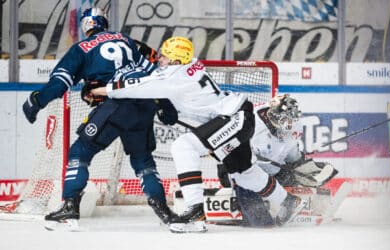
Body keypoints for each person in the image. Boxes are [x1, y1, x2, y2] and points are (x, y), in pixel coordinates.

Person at [90, 36, 307, 233]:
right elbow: (155, 78)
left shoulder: (175, 76)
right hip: (238, 115)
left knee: (184, 146)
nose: (160, 60)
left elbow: (137, 86)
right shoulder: (188, 65)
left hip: (233, 118)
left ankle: (195, 211)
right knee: (243, 173)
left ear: (175, 61)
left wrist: (98, 90)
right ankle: (289, 201)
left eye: (165, 57)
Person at [22, 7, 178, 230]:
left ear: (86, 25)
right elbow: (153, 75)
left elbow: (59, 85)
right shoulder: (125, 39)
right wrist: (166, 107)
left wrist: (35, 102)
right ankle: (163, 210)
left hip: (115, 104)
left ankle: (70, 205)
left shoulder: (81, 49)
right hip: (144, 104)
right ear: (104, 22)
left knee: (80, 151)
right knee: (143, 160)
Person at [217, 94, 338, 227]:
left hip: (271, 171)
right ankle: (262, 223)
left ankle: (308, 207)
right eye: (285, 120)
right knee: (246, 182)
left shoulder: (292, 125)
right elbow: (230, 151)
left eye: (291, 120)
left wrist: (301, 166)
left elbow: (292, 154)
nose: (288, 125)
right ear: (274, 115)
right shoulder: (250, 123)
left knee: (295, 176)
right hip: (239, 168)